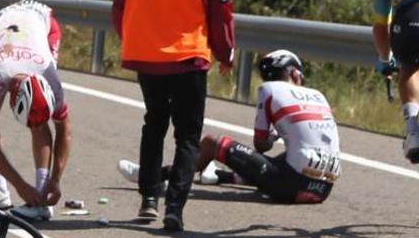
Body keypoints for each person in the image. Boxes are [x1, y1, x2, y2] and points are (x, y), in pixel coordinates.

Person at [111, 0, 251, 232]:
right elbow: (221, 21)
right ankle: (174, 207)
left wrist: (133, 39)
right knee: (188, 136)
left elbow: (120, 7)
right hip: (188, 60)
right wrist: (226, 55)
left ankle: (148, 199)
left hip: (146, 59)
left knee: (154, 124)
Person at [119, 50, 341, 205]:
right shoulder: (319, 95)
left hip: (288, 185)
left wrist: (274, 134)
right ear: (295, 73)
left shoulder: (269, 89)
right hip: (323, 189)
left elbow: (261, 145)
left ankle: (154, 175)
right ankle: (219, 176)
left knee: (211, 143)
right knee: (285, 159)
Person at [0, 0, 72, 222]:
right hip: (0, 27)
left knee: (39, 120)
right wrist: (19, 184)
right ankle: (0, 191)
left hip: (42, 23)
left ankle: (41, 196)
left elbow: (65, 131)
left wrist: (55, 180)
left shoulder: (49, 76)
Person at [372, 0, 419, 163]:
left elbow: (380, 25)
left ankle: (413, 132)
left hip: (409, 18)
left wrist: (385, 58)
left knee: (409, 69)